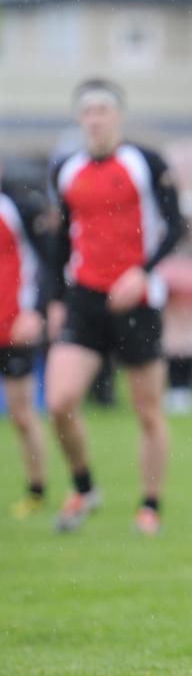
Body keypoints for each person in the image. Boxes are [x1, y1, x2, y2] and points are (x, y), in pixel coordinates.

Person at [46, 79, 186, 536]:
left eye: (104, 109)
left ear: (118, 117)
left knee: (146, 409)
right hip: (84, 297)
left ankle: (150, 505)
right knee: (61, 400)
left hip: (137, 299)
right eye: (88, 111)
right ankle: (84, 487)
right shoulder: (66, 170)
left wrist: (143, 271)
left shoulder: (145, 163)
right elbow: (60, 240)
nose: (96, 118)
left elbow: (176, 225)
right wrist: (53, 301)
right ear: (79, 119)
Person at [1, 171, 49, 520]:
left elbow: (49, 261)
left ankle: (36, 489)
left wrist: (36, 311)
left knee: (21, 414)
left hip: (13, 324)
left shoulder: (18, 205)